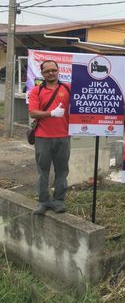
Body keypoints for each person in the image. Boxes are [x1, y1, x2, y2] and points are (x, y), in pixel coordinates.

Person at [28, 60, 71, 214]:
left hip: (63, 136)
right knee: (43, 171)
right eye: (47, 71)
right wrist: (51, 113)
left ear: (58, 71)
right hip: (42, 138)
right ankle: (43, 202)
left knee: (62, 171)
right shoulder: (36, 91)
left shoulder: (68, 88)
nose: (51, 73)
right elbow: (33, 112)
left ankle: (59, 201)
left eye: (53, 70)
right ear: (42, 73)